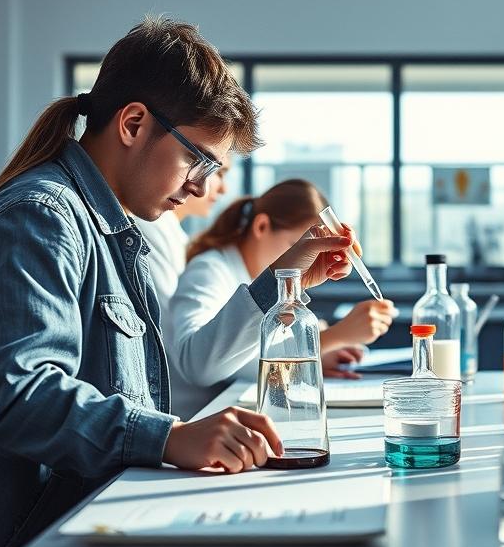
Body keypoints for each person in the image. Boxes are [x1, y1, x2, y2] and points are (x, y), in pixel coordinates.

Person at [0, 18, 360, 547]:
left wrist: (286, 279)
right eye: (199, 160)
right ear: (134, 123)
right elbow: (21, 399)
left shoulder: (114, 230)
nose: (201, 187)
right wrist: (170, 437)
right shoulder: (38, 218)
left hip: (72, 544)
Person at [166, 179, 398, 417]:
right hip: (196, 421)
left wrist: (319, 348)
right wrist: (331, 338)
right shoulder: (209, 269)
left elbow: (251, 350)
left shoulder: (251, 271)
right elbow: (200, 366)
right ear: (261, 226)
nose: (302, 257)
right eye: (294, 246)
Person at [138, 153, 231, 314]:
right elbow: (168, 320)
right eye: (218, 172)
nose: (224, 189)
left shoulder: (175, 235)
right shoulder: (151, 227)